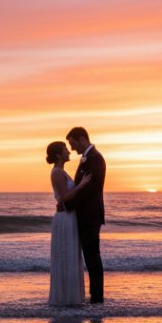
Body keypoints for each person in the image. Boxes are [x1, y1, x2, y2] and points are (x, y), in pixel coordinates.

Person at [46, 141, 91, 306]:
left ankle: (70, 297)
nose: (68, 151)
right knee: (66, 255)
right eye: (65, 149)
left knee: (71, 255)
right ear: (58, 154)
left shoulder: (62, 172)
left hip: (69, 216)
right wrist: (82, 185)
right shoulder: (57, 172)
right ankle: (65, 299)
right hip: (64, 218)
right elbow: (64, 197)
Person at [64, 127, 106, 303]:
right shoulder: (87, 158)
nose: (72, 149)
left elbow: (89, 189)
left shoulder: (95, 159)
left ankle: (97, 298)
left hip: (90, 216)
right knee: (89, 256)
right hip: (85, 215)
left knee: (92, 257)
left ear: (82, 139)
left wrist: (67, 204)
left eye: (73, 143)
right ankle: (94, 296)